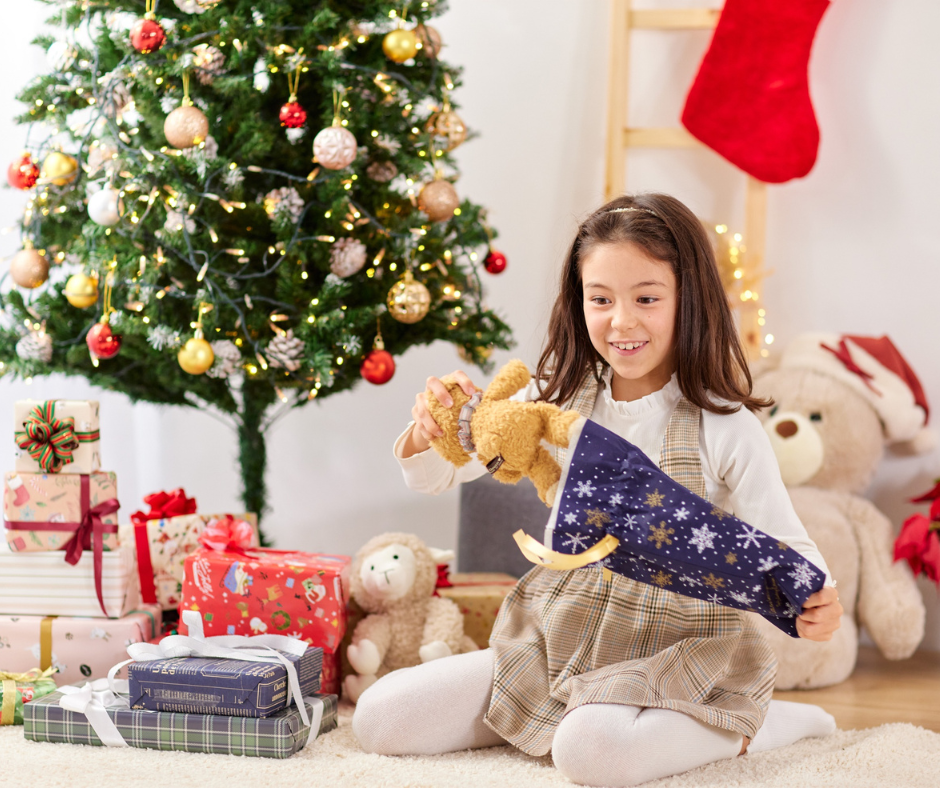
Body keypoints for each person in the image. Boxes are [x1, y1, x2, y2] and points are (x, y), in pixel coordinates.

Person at [353, 193, 843, 787]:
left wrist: (818, 598)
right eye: (601, 299)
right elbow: (436, 474)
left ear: (688, 300)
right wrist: (429, 430)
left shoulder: (724, 425)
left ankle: (754, 723)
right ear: (578, 300)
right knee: (381, 718)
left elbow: (786, 543)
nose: (622, 321)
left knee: (589, 752)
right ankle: (558, 710)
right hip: (562, 630)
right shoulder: (555, 396)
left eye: (647, 298)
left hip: (679, 645)